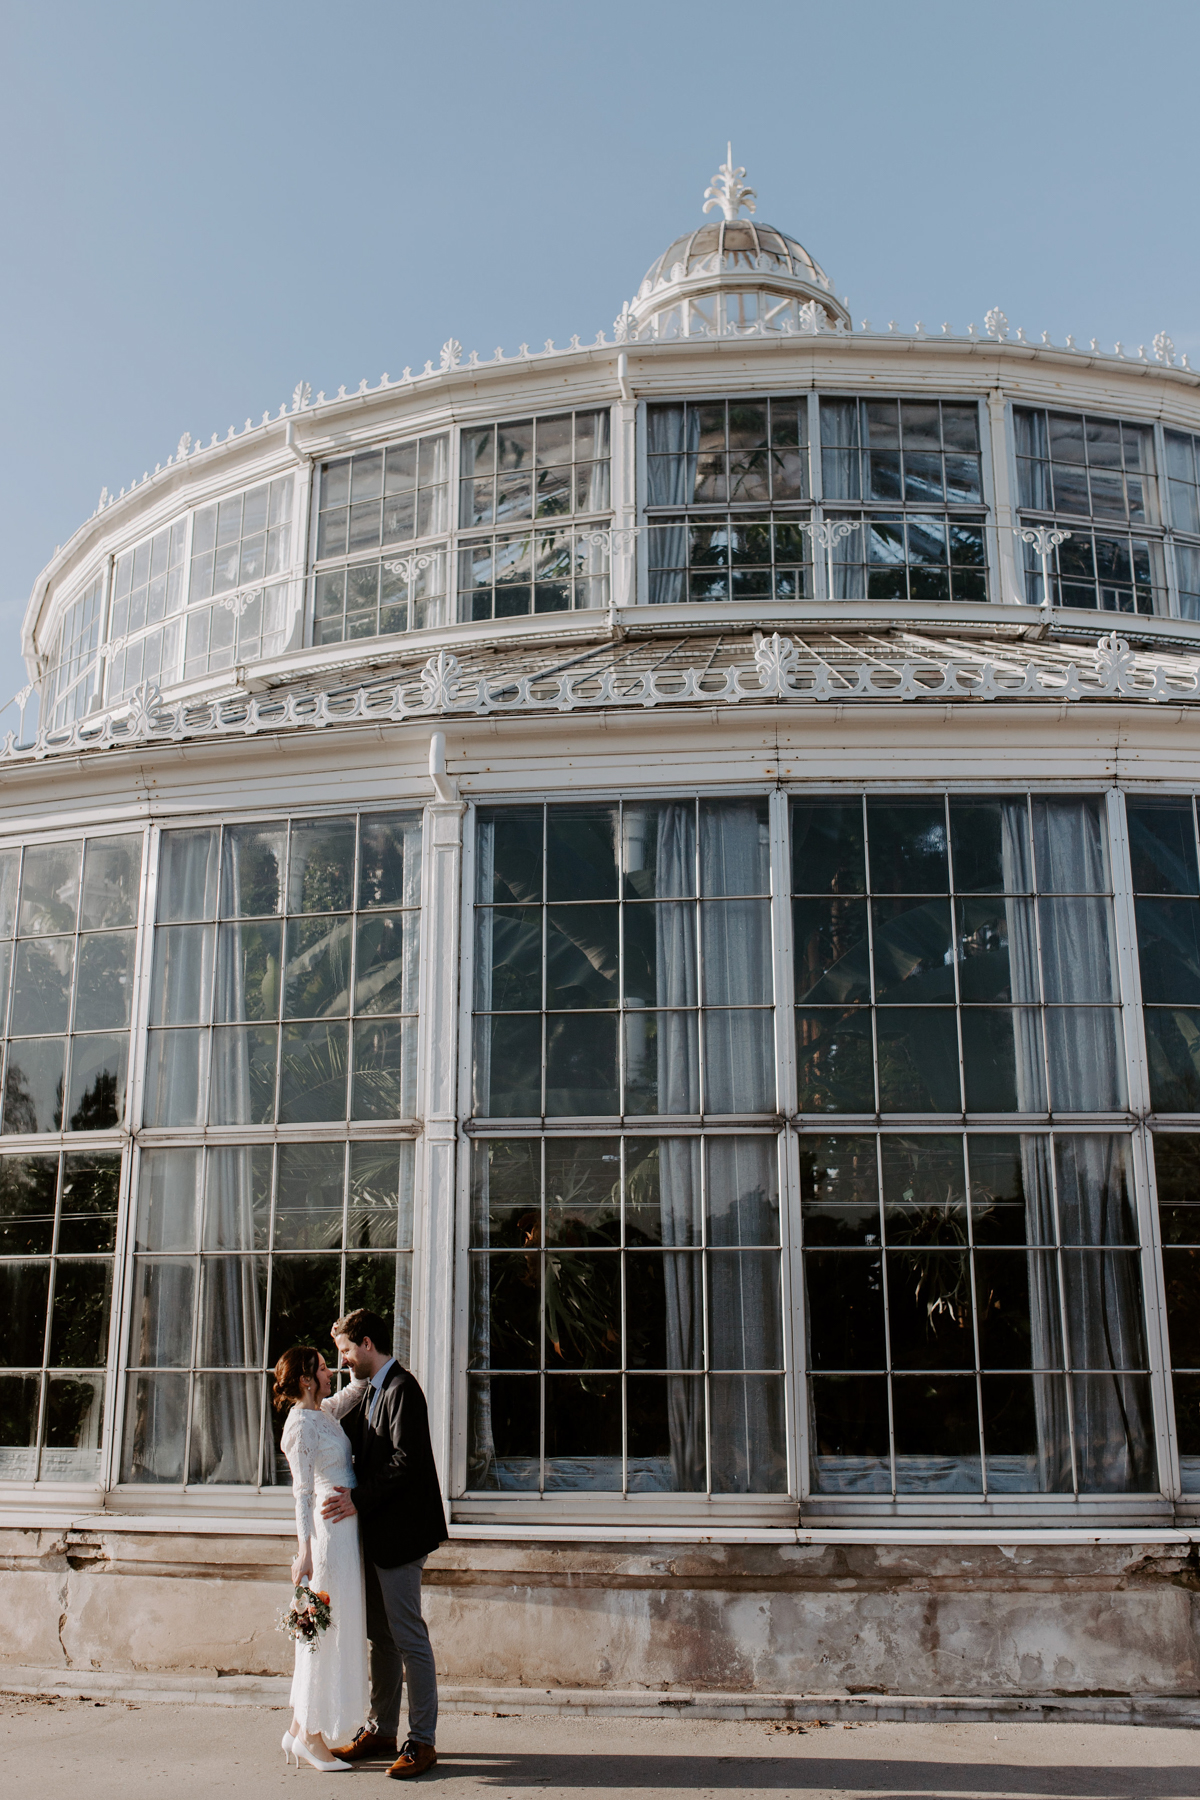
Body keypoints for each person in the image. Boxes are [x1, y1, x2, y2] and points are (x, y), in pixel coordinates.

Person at [322, 1307, 447, 1781]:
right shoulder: (372, 1390)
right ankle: (381, 1730)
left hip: (400, 1535)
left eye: (348, 1351)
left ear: (368, 1344)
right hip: (375, 1535)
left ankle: (423, 1741)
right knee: (383, 1638)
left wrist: (357, 1499)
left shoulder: (402, 1389)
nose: (345, 1362)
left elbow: (406, 1461)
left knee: (410, 1639)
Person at [275, 1345, 368, 1771]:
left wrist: (344, 1351)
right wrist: (305, 1551)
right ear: (307, 1379)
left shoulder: (324, 1413)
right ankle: (311, 1738)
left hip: (346, 1530)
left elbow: (360, 1388)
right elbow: (301, 1495)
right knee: (321, 1636)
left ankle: (297, 1730)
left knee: (337, 1628)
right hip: (326, 1535)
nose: (331, 1373)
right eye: (325, 1368)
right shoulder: (299, 1426)